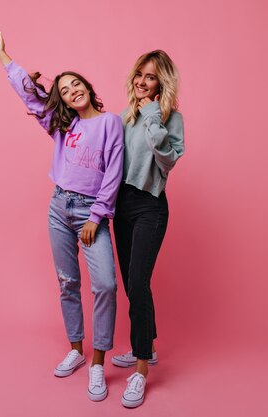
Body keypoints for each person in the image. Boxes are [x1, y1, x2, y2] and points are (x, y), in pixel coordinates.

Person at [0, 32, 124, 402]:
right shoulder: (65, 127)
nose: (72, 91)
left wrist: (97, 215)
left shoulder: (109, 123)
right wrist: (5, 58)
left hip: (89, 213)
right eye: (64, 90)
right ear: (62, 99)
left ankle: (98, 362)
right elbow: (31, 97)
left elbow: (113, 173)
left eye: (76, 84)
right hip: (58, 208)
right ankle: (77, 350)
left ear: (87, 87)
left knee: (105, 285)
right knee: (67, 282)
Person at [110, 50, 185, 408]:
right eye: (139, 74)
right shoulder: (126, 116)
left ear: (162, 83)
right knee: (130, 282)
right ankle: (148, 347)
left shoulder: (169, 117)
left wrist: (154, 114)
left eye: (150, 77)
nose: (142, 81)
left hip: (149, 207)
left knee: (138, 283)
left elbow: (167, 159)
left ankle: (140, 369)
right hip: (120, 206)